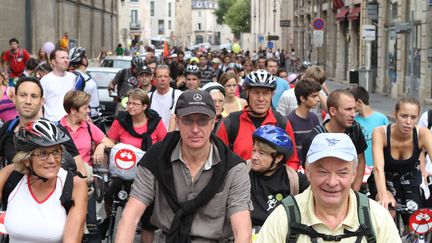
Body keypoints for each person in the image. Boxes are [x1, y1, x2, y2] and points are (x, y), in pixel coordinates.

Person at [115, 89, 252, 242]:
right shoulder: (157, 157)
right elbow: (130, 216)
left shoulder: (233, 168)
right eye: (187, 120)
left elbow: (242, 229)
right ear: (177, 121)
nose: (195, 129)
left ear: (213, 122)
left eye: (202, 120)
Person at [257, 133, 401, 242]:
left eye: (342, 172)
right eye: (322, 172)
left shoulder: (377, 218)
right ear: (307, 171)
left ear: (354, 174)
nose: (332, 182)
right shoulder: (283, 218)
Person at [0, 119, 87, 242]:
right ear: (26, 159)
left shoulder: (74, 185)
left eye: (56, 152)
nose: (52, 160)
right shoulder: (10, 176)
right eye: (42, 154)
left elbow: (72, 239)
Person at [102, 88, 167, 242]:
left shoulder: (155, 123)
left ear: (144, 106)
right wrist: (101, 146)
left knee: (147, 217)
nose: (130, 107)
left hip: (148, 173)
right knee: (109, 196)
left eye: (135, 104)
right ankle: (109, 221)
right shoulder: (121, 121)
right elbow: (110, 139)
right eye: (129, 103)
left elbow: (164, 145)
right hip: (124, 171)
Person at [0, 77, 87, 177]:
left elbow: (81, 171)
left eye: (34, 96)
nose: (28, 101)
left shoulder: (56, 132)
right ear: (14, 99)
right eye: (23, 95)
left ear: (42, 101)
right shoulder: (7, 129)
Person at [217, 69, 300, 170]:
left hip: (273, 185)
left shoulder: (281, 123)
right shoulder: (230, 123)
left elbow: (292, 160)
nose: (261, 98)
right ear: (247, 94)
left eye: (266, 93)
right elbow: (219, 161)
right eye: (256, 92)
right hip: (241, 184)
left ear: (272, 95)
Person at [369, 96, 432, 213]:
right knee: (387, 211)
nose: (408, 122)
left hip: (410, 181)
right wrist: (383, 196)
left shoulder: (423, 134)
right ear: (395, 114)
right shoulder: (380, 132)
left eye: (413, 117)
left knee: (416, 223)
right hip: (384, 179)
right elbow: (378, 168)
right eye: (404, 116)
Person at [302, 89, 367, 191]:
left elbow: (361, 159)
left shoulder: (355, 128)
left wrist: (355, 191)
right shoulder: (315, 138)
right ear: (332, 111)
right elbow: (308, 171)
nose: (353, 114)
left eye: (354, 109)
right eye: (348, 109)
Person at [249, 125, 309, 229]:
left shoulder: (294, 179)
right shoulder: (242, 172)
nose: (254, 157)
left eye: (261, 153)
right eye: (254, 151)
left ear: (278, 158)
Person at [60, 90, 114, 166]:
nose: (88, 111)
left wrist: (101, 146)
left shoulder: (89, 127)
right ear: (73, 111)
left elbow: (111, 144)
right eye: (85, 108)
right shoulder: (57, 128)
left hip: (85, 172)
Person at [350, 86, 388, 173]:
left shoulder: (381, 119)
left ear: (359, 102)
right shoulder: (353, 121)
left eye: (352, 104)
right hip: (359, 168)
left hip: (378, 167)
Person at [68, 47, 103, 130]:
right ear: (82, 60)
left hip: (96, 117)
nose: (86, 59)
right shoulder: (77, 77)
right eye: (85, 57)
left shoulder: (86, 75)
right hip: (88, 119)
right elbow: (75, 99)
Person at [288, 78, 321, 162]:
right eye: (314, 96)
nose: (318, 99)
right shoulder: (289, 120)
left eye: (318, 95)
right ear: (302, 98)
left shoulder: (314, 118)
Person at [40, 47, 76, 121]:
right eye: (62, 58)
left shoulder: (72, 77)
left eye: (67, 58)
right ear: (53, 62)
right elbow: (40, 105)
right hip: (53, 123)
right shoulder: (45, 80)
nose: (66, 60)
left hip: (70, 123)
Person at [148, 65, 182, 129]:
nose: (162, 79)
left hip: (173, 137)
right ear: (154, 79)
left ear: (169, 79)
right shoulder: (148, 97)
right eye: (159, 76)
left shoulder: (179, 95)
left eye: (165, 76)